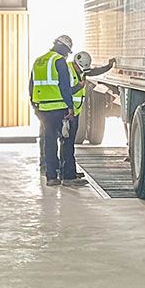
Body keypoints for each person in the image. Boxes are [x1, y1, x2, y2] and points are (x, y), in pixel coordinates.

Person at [30, 35, 87, 187]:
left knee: (49, 142)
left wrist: (34, 105)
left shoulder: (39, 60)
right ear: (63, 48)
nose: (67, 55)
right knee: (67, 141)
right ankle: (68, 176)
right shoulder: (58, 61)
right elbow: (64, 86)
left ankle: (51, 177)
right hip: (59, 108)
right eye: (67, 52)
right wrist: (70, 107)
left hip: (43, 109)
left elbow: (31, 85)